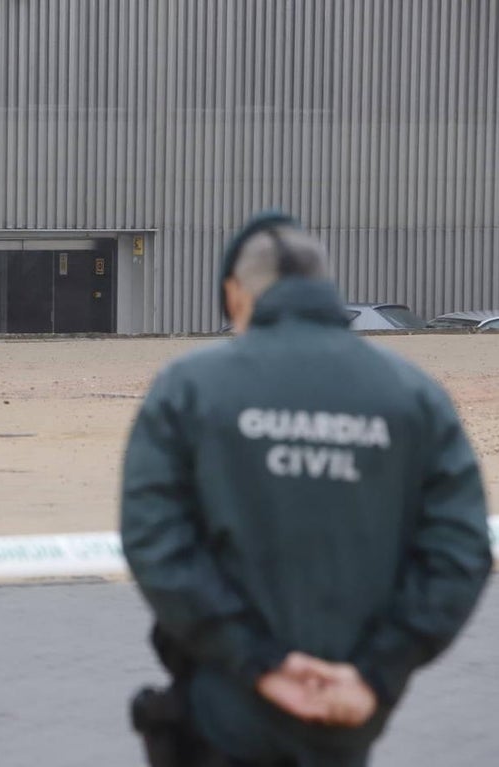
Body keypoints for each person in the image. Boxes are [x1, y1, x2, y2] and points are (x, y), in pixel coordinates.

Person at [120, 210, 492, 766]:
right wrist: (375, 675)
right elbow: (459, 552)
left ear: (236, 295)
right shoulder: (416, 398)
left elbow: (155, 540)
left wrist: (258, 662)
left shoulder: (188, 389)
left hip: (224, 715)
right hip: (347, 719)